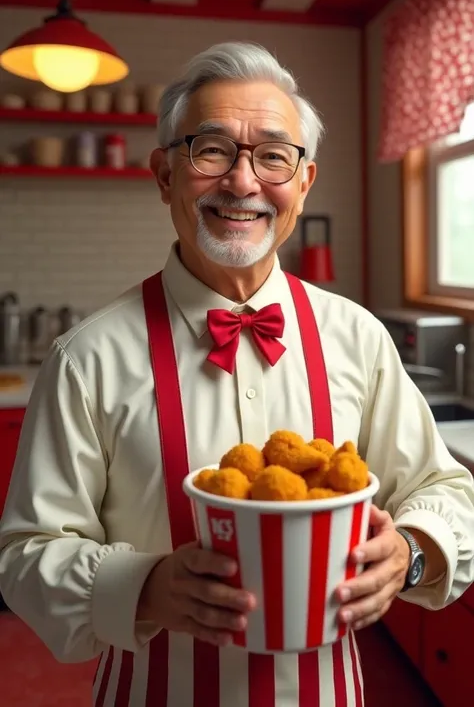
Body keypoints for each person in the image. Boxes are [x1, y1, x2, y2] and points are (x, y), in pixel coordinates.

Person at [1, 42, 473, 707]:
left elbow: (445, 488)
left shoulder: (359, 338)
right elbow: (23, 557)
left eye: (274, 155)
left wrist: (414, 553)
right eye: (212, 149)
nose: (244, 183)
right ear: (165, 174)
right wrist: (145, 587)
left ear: (304, 183)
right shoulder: (86, 358)